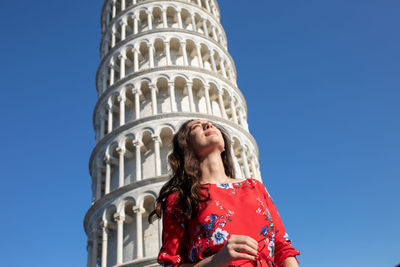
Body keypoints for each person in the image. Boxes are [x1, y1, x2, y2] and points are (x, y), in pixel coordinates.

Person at [149, 119, 300, 267]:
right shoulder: (180, 199)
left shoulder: (255, 188)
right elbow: (172, 263)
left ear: (224, 147)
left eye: (211, 124)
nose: (209, 125)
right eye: (197, 126)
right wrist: (216, 261)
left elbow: (283, 248)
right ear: (185, 145)